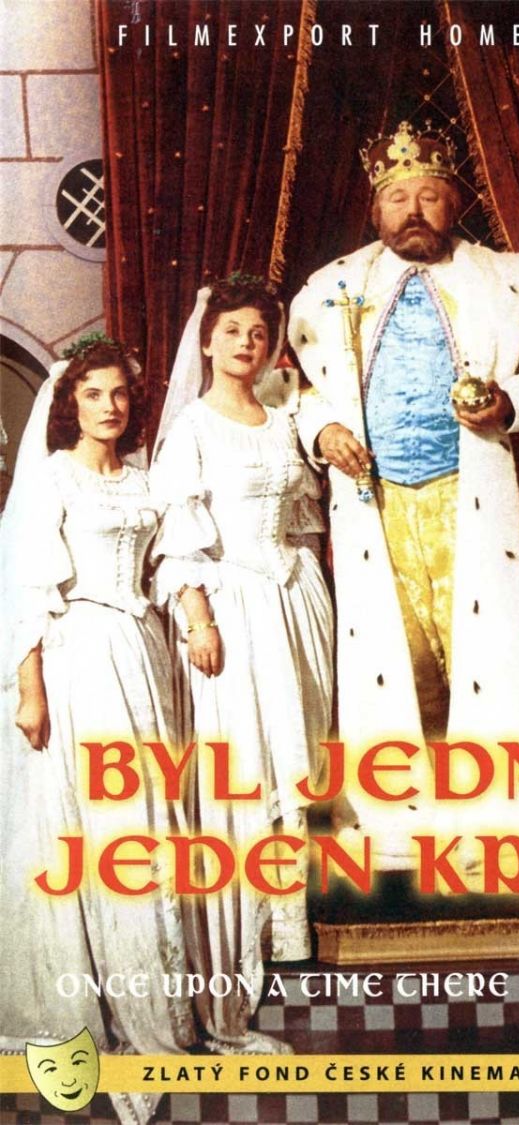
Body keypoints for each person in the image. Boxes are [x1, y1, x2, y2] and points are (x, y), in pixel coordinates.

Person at [288, 119, 519, 868]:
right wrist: (323, 429)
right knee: (399, 657)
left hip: (472, 494)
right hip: (375, 502)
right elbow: (293, 389)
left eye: (429, 195)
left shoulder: (502, 280)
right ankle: (403, 820)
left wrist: (510, 403)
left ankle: (495, 812)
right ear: (375, 208)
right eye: (397, 197)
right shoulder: (330, 290)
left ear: (456, 201)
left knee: (482, 650)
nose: (413, 210)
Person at [0, 336, 195, 1122]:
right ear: (69, 404)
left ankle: (147, 1007)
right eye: (93, 394)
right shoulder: (52, 479)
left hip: (140, 653)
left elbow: (172, 566)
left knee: (140, 821)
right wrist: (31, 690)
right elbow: (24, 588)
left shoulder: (144, 482)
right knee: (85, 824)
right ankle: (83, 1014)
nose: (109, 407)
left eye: (119, 393)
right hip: (77, 655)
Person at [151, 275, 333, 1052]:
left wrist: (309, 589)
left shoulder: (284, 418)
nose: (246, 344)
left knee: (298, 758)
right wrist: (199, 619)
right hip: (230, 609)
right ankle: (250, 937)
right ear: (207, 339)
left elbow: (303, 517)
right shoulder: (193, 428)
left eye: (258, 333)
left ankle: (296, 929)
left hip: (294, 601)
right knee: (248, 761)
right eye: (232, 331)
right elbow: (178, 535)